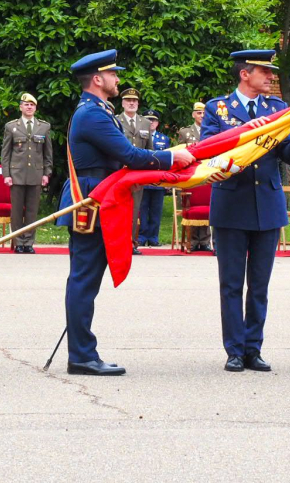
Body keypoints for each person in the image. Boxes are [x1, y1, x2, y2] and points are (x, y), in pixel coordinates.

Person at [54, 50, 191, 376]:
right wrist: (172, 159)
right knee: (84, 280)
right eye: (113, 74)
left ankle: (82, 351)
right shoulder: (93, 115)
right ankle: (82, 356)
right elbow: (128, 154)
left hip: (100, 197)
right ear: (98, 80)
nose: (118, 79)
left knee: (85, 279)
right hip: (92, 200)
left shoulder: (97, 111)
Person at [201, 50, 290, 373]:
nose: (270, 77)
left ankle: (254, 348)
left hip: (266, 205)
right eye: (264, 71)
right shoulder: (218, 109)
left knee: (260, 285)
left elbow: (289, 156)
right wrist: (251, 130)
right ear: (245, 74)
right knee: (231, 284)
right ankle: (234, 350)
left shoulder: (277, 109)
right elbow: (210, 150)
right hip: (231, 205)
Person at [0, 92, 53, 254]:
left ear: (35, 108)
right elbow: (6, 153)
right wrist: (6, 174)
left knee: (32, 210)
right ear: (21, 107)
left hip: (36, 174)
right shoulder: (12, 126)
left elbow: (47, 153)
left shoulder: (43, 127)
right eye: (26, 104)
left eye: (32, 105)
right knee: (16, 211)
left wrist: (47, 173)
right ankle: (18, 242)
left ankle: (29, 242)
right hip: (16, 174)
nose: (29, 107)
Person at [116, 87, 153, 254]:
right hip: (119, 172)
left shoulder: (145, 123)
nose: (132, 103)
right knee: (118, 209)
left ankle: (130, 243)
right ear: (123, 103)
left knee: (134, 209)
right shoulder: (115, 121)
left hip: (137, 173)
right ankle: (117, 242)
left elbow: (150, 149)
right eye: (128, 101)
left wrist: (149, 171)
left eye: (135, 101)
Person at [176, 102, 211, 252]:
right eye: (198, 113)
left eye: (203, 113)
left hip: (206, 171)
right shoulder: (185, 132)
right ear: (193, 115)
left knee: (206, 202)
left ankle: (204, 242)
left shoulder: (211, 130)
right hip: (190, 172)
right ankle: (192, 240)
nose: (201, 116)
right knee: (192, 203)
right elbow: (180, 151)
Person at [137, 109, 171, 247]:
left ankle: (153, 237)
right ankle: (142, 236)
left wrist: (168, 180)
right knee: (143, 209)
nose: (151, 122)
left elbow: (168, 160)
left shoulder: (164, 139)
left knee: (156, 210)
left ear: (157, 123)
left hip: (159, 179)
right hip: (144, 178)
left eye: (154, 120)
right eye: (148, 120)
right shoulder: (139, 137)